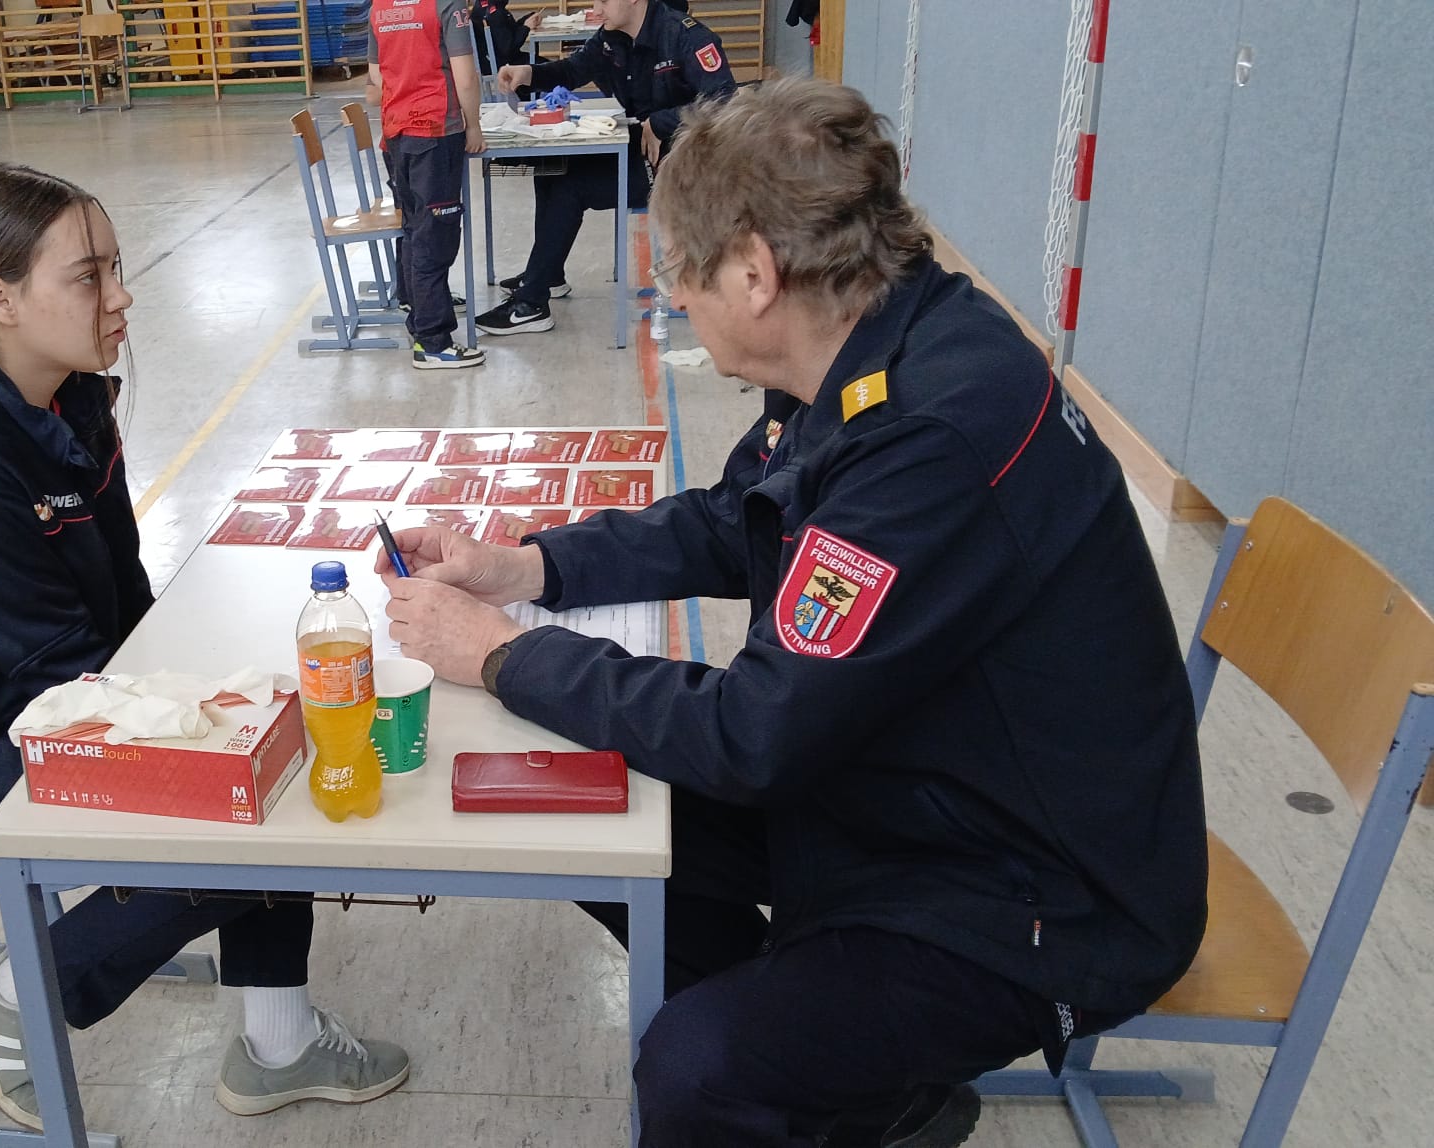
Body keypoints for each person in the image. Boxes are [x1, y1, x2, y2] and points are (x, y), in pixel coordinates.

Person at [381, 79, 1209, 1147]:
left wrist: (503, 656)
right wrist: (528, 566)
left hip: (1034, 887)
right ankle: (842, 1078)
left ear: (754, 272)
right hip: (915, 779)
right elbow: (739, 520)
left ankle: (813, 1079)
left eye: (680, 272)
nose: (676, 298)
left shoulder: (931, 435)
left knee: (699, 1069)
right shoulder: (866, 340)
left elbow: (752, 732)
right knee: (584, 809)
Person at [0, 163, 410, 1131]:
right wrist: (210, 730)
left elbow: (122, 597)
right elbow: (55, 672)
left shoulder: (68, 399)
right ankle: (22, 989)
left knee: (278, 740)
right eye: (89, 276)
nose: (121, 296)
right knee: (250, 787)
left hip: (49, 691)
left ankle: (276, 1042)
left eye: (116, 268)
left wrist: (221, 689)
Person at [474, 0, 733, 336]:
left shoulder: (684, 36)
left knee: (570, 186)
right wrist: (530, 73)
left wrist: (661, 122)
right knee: (553, 168)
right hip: (640, 147)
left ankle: (531, 303)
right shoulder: (612, 36)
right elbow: (573, 70)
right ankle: (547, 275)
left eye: (604, 1)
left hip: (684, 166)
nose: (596, 8)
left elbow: (723, 101)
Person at [365, 0, 485, 369]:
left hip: (396, 134)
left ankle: (420, 321)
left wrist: (405, 93)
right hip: (435, 133)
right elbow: (465, 76)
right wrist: (474, 125)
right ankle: (433, 341)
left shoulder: (379, 7)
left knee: (415, 230)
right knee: (435, 236)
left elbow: (376, 77)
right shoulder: (447, 4)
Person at [471, 0, 538, 72]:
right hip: (501, 64)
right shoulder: (494, 13)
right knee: (543, 68)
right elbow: (508, 48)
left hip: (497, 60)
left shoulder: (487, 5)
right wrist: (526, 28)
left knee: (541, 64)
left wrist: (527, 19)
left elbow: (508, 31)